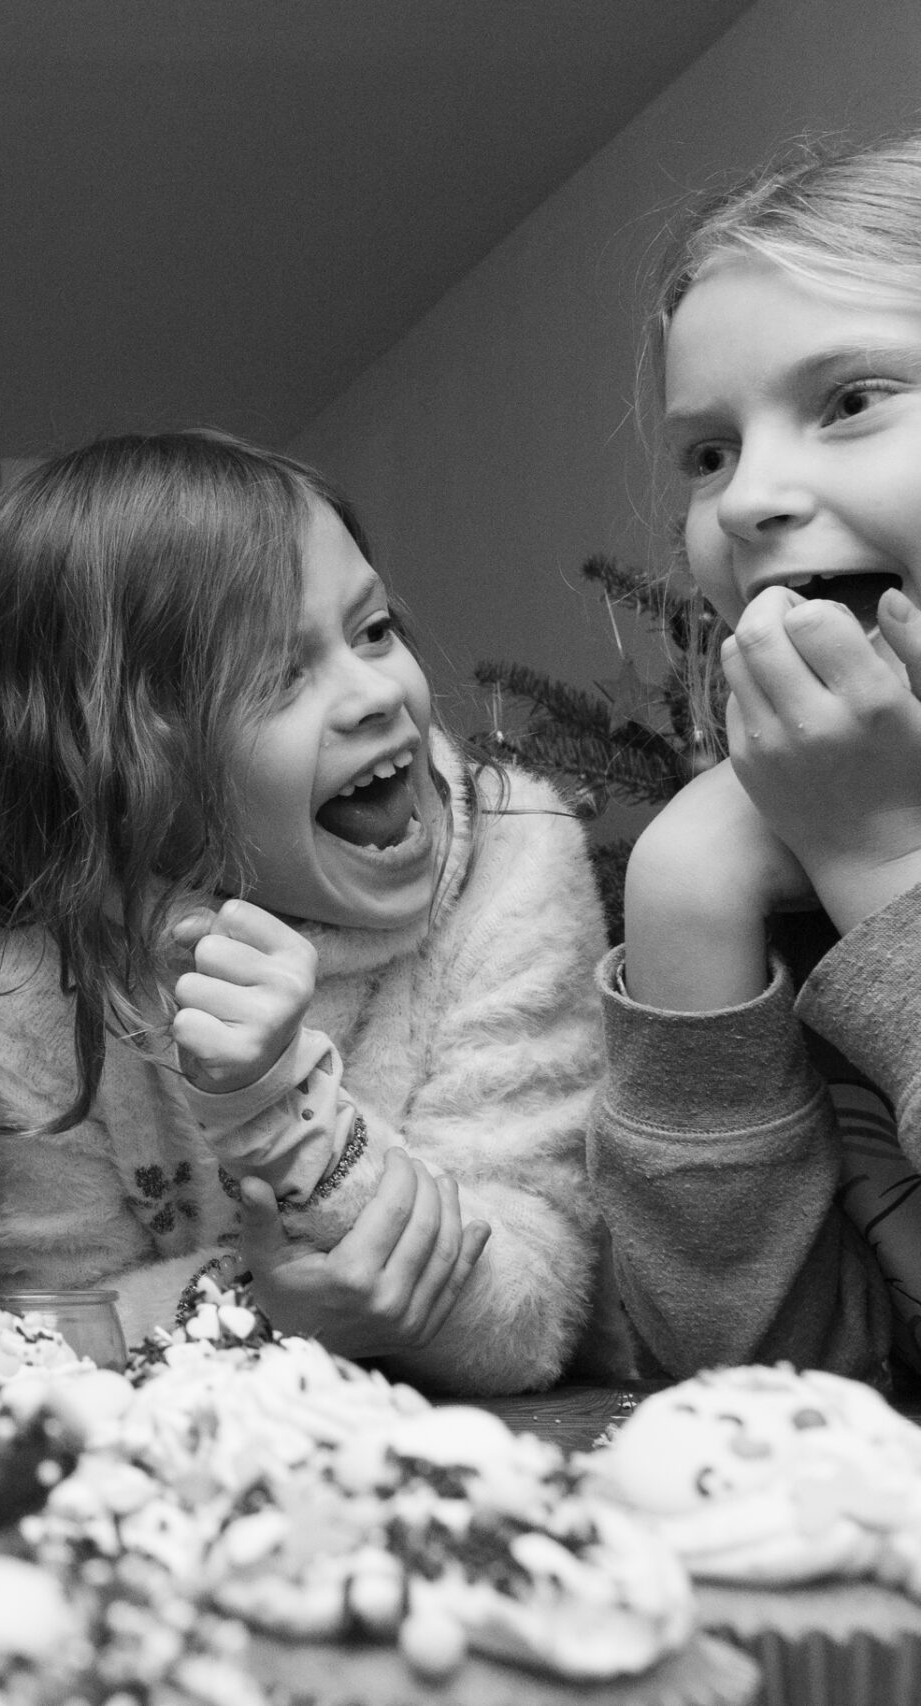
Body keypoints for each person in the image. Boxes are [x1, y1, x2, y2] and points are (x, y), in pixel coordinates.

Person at [0, 430, 605, 1396]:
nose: (379, 693)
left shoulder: (515, 859)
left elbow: (531, 1310)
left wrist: (276, 1102)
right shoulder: (40, 974)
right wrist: (270, 1313)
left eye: (374, 630)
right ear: (119, 764)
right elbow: (50, 1337)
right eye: (274, 677)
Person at [596, 131, 921, 1386]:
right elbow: (758, 1387)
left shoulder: (848, 831)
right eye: (707, 452)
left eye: (849, 399)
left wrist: (880, 857)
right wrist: (683, 895)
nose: (744, 500)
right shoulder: (753, 852)